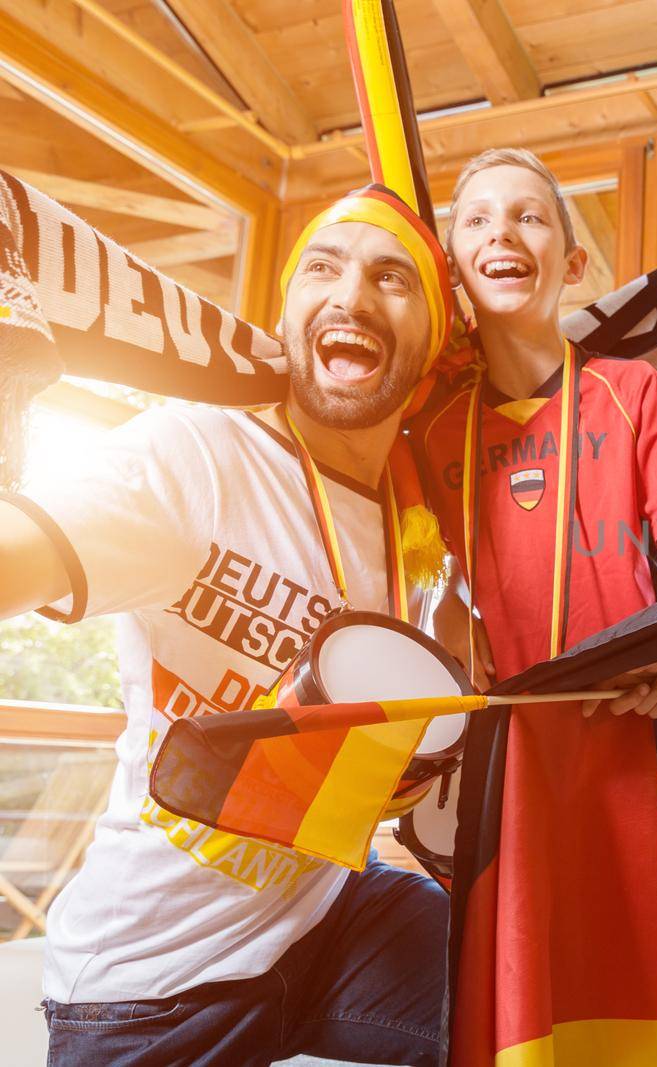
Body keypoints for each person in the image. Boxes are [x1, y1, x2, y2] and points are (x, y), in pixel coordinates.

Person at [0, 187, 480, 1065]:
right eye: (324, 268)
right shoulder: (194, 457)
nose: (353, 295)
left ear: (433, 340)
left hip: (326, 913)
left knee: (522, 981)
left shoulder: (415, 523)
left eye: (393, 278)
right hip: (148, 979)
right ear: (289, 315)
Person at [406, 147, 657, 1065]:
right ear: (452, 265)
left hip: (648, 749)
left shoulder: (634, 393)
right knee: (529, 1015)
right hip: (514, 768)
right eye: (476, 219)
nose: (502, 232)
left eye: (529, 216)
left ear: (572, 262)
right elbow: (423, 594)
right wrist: (454, 631)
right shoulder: (428, 430)